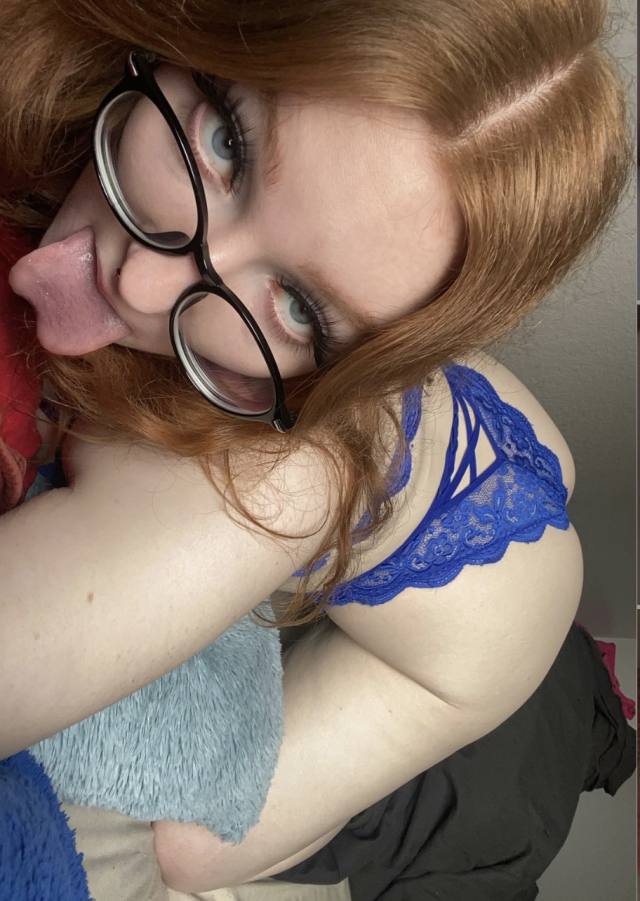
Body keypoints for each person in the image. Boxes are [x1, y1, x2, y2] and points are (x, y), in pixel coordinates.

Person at [0, 0, 632, 895]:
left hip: (494, 626)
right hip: (491, 419)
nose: (142, 281)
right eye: (227, 141)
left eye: (298, 303)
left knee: (193, 848)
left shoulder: (271, 483)